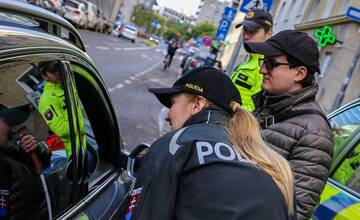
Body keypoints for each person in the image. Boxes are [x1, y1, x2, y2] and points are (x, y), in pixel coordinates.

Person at [124, 67, 295, 220]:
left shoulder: (177, 143)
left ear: (197, 104)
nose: (168, 115)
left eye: (173, 103)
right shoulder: (272, 165)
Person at [244, 30, 334, 220]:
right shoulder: (269, 105)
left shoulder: (314, 133)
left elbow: (296, 211)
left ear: (299, 73)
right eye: (263, 62)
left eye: (271, 64)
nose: (262, 70)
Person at [0, 106, 50, 220]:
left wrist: (34, 152)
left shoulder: (10, 152)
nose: (12, 128)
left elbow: (42, 173)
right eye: (6, 122)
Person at [38, 61, 85, 159]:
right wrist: (81, 128)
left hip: (83, 144)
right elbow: (62, 130)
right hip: (74, 153)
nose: (58, 72)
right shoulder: (46, 99)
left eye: (58, 68)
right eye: (53, 70)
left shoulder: (66, 85)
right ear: (44, 75)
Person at [230, 8, 273, 112]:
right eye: (245, 29)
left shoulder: (266, 66)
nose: (245, 36)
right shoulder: (250, 59)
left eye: (253, 31)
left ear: (268, 34)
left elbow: (258, 112)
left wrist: (230, 104)